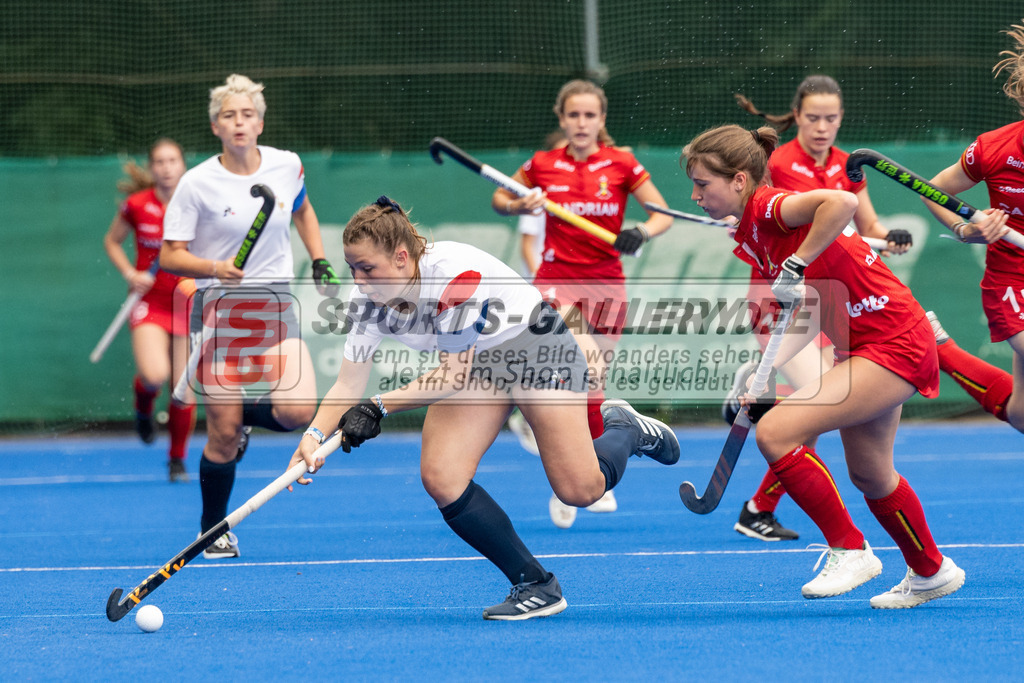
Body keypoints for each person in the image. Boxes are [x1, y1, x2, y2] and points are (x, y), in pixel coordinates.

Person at [288, 196, 680, 620]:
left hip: (533, 347)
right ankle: (536, 584)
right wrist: (311, 437)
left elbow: (452, 376)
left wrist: (378, 406)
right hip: (478, 365)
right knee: (442, 476)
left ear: (402, 257)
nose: (359, 281)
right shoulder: (366, 300)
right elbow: (348, 381)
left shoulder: (456, 276)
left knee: (579, 490)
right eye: (352, 268)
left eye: (368, 269)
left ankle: (623, 428)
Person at [681, 123, 964, 608]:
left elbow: (843, 203)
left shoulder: (770, 207)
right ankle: (931, 571)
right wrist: (763, 369)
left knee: (777, 432)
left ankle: (849, 549)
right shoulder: (752, 232)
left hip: (893, 339)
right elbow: (807, 313)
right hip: (863, 343)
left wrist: (797, 263)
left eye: (703, 184)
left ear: (739, 181)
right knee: (872, 474)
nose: (695, 195)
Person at [727, 74, 915, 542]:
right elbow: (763, 216)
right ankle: (773, 502)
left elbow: (862, 220)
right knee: (823, 399)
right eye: (812, 118)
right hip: (781, 299)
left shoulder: (846, 165)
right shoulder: (778, 162)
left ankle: (759, 505)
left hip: (831, 301)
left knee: (821, 407)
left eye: (831, 118)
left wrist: (885, 237)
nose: (821, 127)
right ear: (797, 117)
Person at [161, 74, 340, 558]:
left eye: (246, 115)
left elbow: (302, 210)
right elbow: (170, 255)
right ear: (215, 125)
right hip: (218, 308)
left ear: (259, 122)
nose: (238, 123)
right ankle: (211, 528)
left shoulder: (287, 166)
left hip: (274, 303)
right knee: (220, 434)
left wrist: (318, 257)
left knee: (298, 410)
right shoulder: (196, 183)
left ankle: (242, 418)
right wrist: (214, 267)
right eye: (228, 116)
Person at [490, 79, 674, 528]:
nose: (581, 123)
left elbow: (662, 214)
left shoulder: (623, 163)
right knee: (581, 366)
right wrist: (521, 205)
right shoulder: (542, 164)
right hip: (555, 282)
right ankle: (576, 471)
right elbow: (499, 198)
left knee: (591, 387)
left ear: (601, 120)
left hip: (608, 284)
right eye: (573, 115)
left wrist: (642, 232)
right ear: (562, 119)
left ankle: (576, 481)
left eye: (590, 115)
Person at [919, 22, 1024, 432]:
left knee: (1020, 415)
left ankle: (943, 351)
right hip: (1012, 283)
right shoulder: (994, 149)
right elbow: (933, 190)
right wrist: (966, 231)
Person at [102, 138, 196, 482]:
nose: (167, 167)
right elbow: (111, 241)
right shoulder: (137, 205)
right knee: (155, 375)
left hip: (187, 303)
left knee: (183, 389)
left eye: (173, 160)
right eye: (160, 161)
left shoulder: (198, 204)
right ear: (151, 167)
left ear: (182, 165)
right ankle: (143, 405)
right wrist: (131, 273)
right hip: (150, 303)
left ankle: (177, 460)